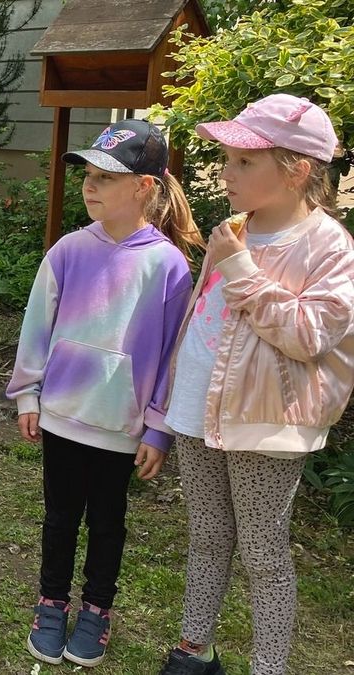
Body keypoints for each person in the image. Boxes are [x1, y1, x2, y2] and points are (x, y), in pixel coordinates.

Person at [158, 95, 353, 675]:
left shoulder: (328, 247)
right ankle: (195, 651)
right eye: (227, 159)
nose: (226, 172)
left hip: (266, 424)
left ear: (295, 169)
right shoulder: (233, 229)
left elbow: (308, 333)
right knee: (208, 536)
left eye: (244, 161)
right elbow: (205, 316)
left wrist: (240, 266)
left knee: (264, 552)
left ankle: (269, 666)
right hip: (197, 408)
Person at [7, 119, 202, 667]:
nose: (89, 186)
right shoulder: (69, 250)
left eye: (105, 177)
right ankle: (51, 604)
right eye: (87, 175)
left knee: (108, 524)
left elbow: (173, 354)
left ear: (143, 187)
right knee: (60, 516)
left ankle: (96, 611)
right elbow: (37, 324)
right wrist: (28, 394)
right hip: (62, 416)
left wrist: (159, 429)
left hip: (122, 427)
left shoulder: (167, 265)